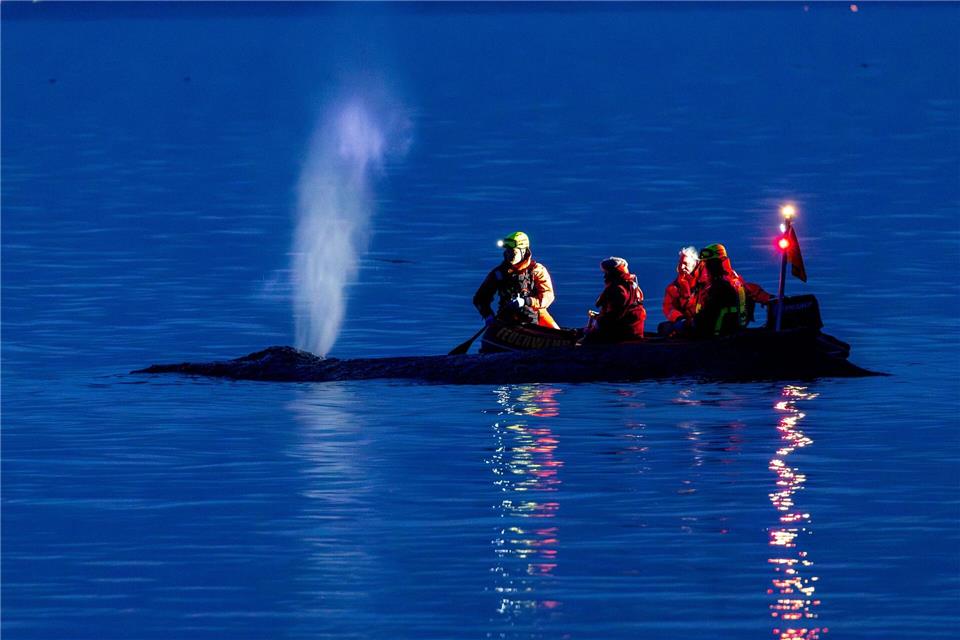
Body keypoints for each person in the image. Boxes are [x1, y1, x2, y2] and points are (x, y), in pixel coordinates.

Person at [473, 231, 560, 329]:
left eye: (513, 251)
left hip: (533, 317)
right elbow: (480, 299)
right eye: (507, 251)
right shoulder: (498, 273)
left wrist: (526, 301)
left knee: (557, 331)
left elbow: (547, 297)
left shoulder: (537, 271)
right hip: (506, 319)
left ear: (523, 251)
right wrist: (488, 316)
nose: (509, 254)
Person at [582, 257, 646, 343]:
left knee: (585, 337)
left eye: (606, 272)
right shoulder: (634, 286)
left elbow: (613, 318)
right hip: (634, 331)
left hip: (621, 335)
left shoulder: (618, 289)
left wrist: (593, 329)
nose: (604, 276)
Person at [691, 243, 748, 337]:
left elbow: (707, 318)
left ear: (719, 263)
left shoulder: (721, 286)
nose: (706, 268)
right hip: (731, 332)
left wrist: (687, 325)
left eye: (709, 264)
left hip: (717, 335)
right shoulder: (735, 280)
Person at [659, 245, 699, 335]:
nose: (682, 267)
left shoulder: (704, 281)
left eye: (685, 264)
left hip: (702, 321)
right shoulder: (674, 287)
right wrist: (680, 319)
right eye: (680, 263)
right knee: (663, 327)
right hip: (684, 322)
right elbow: (668, 307)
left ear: (695, 263)